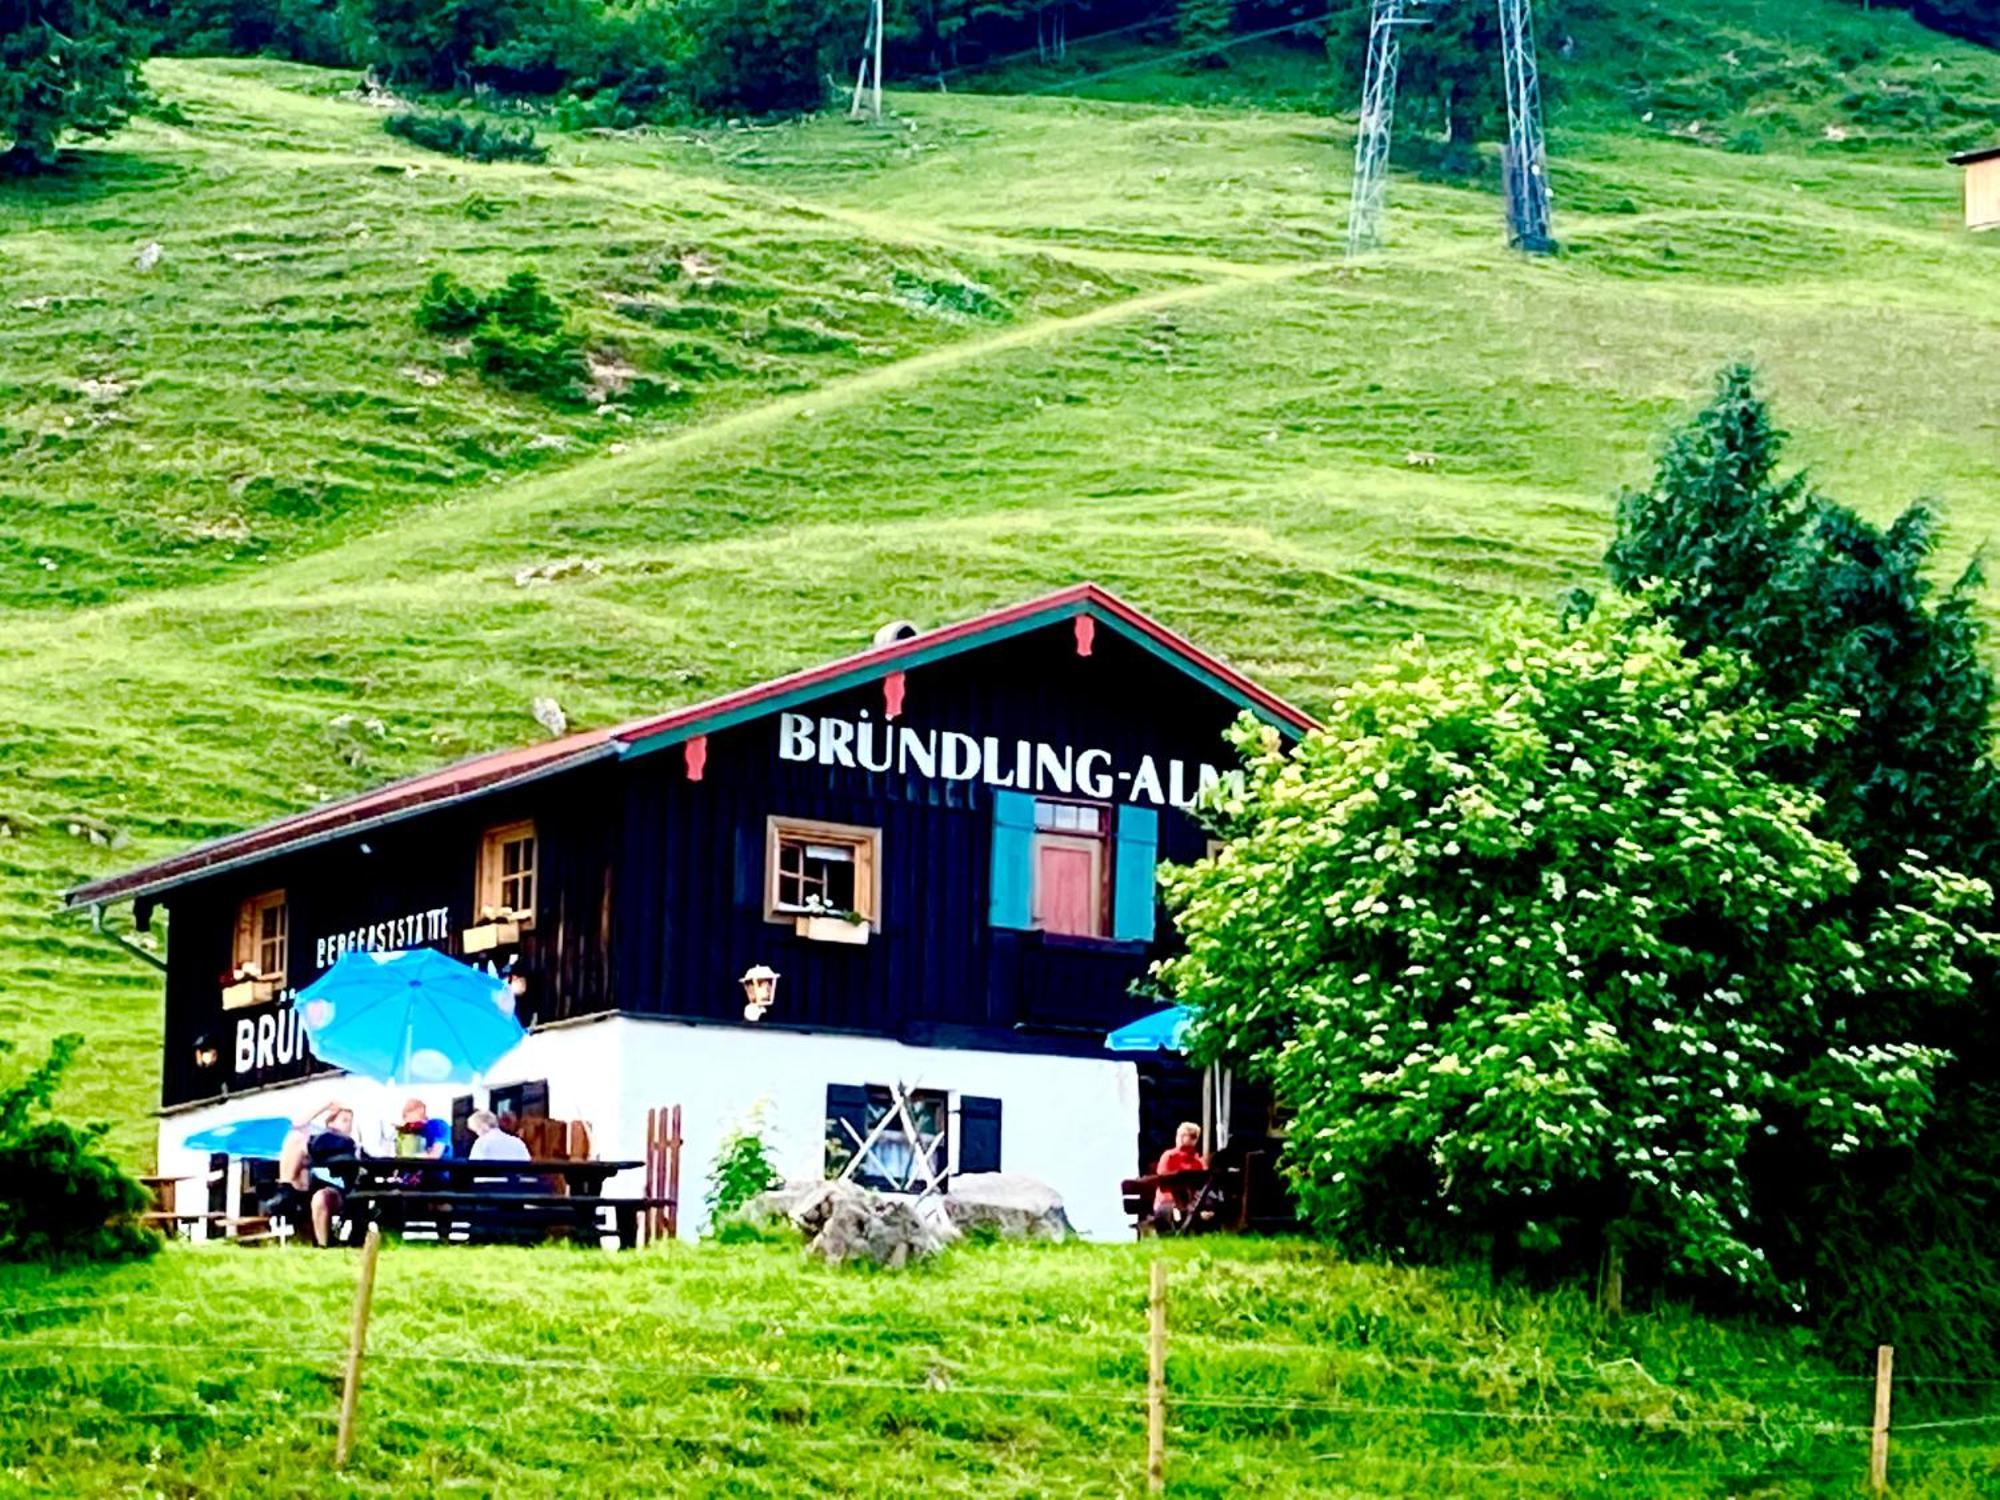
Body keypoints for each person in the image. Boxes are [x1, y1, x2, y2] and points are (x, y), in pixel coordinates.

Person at [267, 1100, 356, 1247]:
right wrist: (326, 1105)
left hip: (336, 1191)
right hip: (309, 1185)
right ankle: (285, 1189)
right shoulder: (323, 1139)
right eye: (345, 1120)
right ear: (331, 1124)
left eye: (350, 1121)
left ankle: (323, 1246)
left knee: (320, 1197)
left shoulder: (346, 1143)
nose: (349, 1125)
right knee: (295, 1138)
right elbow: (297, 1124)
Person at [1150, 1121, 1208, 1235]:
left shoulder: (1198, 1161)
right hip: (1168, 1201)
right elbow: (1164, 1183)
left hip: (1191, 1204)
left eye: (1192, 1136)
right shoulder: (1169, 1156)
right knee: (1173, 1212)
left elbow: (1203, 1184)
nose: (1184, 1139)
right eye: (1181, 1135)